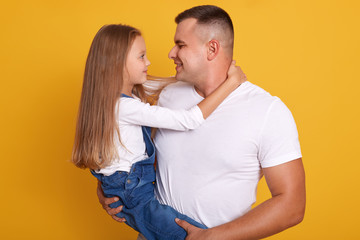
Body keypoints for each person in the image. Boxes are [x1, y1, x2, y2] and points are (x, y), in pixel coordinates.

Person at [98, 5, 306, 240]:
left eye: (181, 44)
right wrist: (111, 188)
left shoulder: (267, 110)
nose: (171, 53)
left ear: (212, 48)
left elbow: (292, 206)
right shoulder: (168, 96)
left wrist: (210, 237)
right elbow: (139, 158)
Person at [72, 24, 246, 240]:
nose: (148, 62)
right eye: (141, 57)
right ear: (117, 64)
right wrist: (232, 83)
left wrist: (202, 72)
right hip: (133, 193)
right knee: (194, 234)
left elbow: (167, 83)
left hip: (130, 187)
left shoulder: (123, 97)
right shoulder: (124, 107)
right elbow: (188, 120)